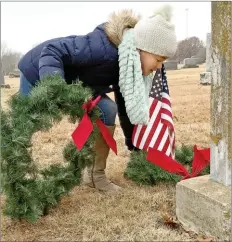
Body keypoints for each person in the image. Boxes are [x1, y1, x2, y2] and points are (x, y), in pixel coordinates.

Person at [18, 4, 177, 192]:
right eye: (158, 59)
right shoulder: (103, 49)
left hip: (80, 84)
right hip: (38, 71)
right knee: (24, 124)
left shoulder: (129, 66)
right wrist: (55, 87)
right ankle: (12, 175)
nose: (159, 67)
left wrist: (134, 145)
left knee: (107, 110)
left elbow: (127, 106)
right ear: (142, 48)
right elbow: (53, 51)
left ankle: (95, 175)